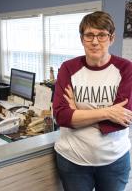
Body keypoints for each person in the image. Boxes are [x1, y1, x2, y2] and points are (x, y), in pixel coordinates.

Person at [53, 11, 132, 191]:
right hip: (73, 161)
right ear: (82, 39)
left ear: (111, 38)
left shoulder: (126, 68)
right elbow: (61, 116)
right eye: (89, 35)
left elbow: (123, 120)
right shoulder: (68, 68)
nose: (95, 41)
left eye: (102, 35)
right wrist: (108, 112)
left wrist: (78, 115)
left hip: (114, 161)